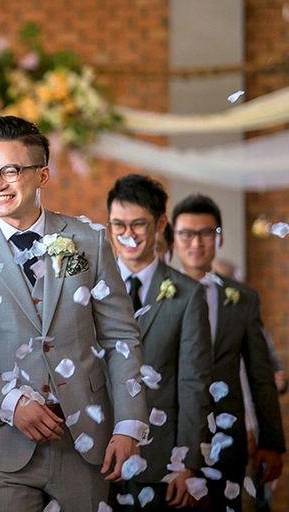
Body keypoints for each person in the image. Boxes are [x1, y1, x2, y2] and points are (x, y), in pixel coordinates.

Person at [0, 116, 149, 512]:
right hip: (3, 446)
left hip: (84, 439)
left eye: (11, 170)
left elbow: (121, 337)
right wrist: (10, 402)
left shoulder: (89, 241)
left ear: (42, 175)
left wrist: (129, 423)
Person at [171, 193, 285, 511]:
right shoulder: (158, 294)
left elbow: (260, 374)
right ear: (173, 238)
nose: (197, 242)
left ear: (218, 238)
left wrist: (270, 443)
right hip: (170, 437)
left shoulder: (242, 298)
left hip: (228, 435)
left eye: (207, 233)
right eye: (187, 234)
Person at [105, 174, 213, 509]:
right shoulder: (94, 289)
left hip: (161, 459)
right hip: (97, 456)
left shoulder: (188, 294)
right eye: (118, 225)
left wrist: (187, 463)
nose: (128, 235)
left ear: (160, 223)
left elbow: (193, 383)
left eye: (138, 224)